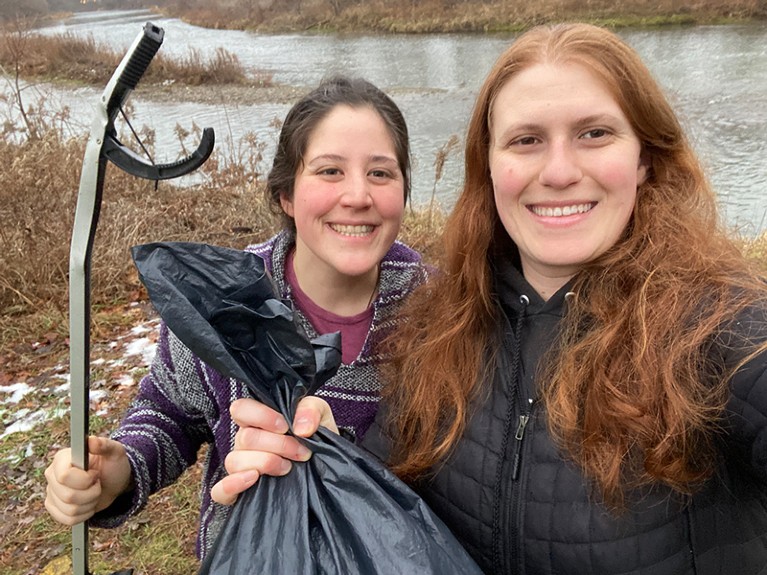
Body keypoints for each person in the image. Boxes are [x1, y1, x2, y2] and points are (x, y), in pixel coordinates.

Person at [217, 24, 767, 574]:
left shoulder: (719, 333)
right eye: (526, 140)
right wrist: (320, 455)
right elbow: (394, 506)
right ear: (488, 167)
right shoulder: (441, 325)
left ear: (645, 158)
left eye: (594, 134)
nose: (558, 172)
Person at [44, 75, 429, 560]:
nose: (357, 195)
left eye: (381, 173)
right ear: (286, 195)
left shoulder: (439, 308)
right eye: (330, 171)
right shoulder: (225, 300)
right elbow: (170, 415)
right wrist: (118, 470)